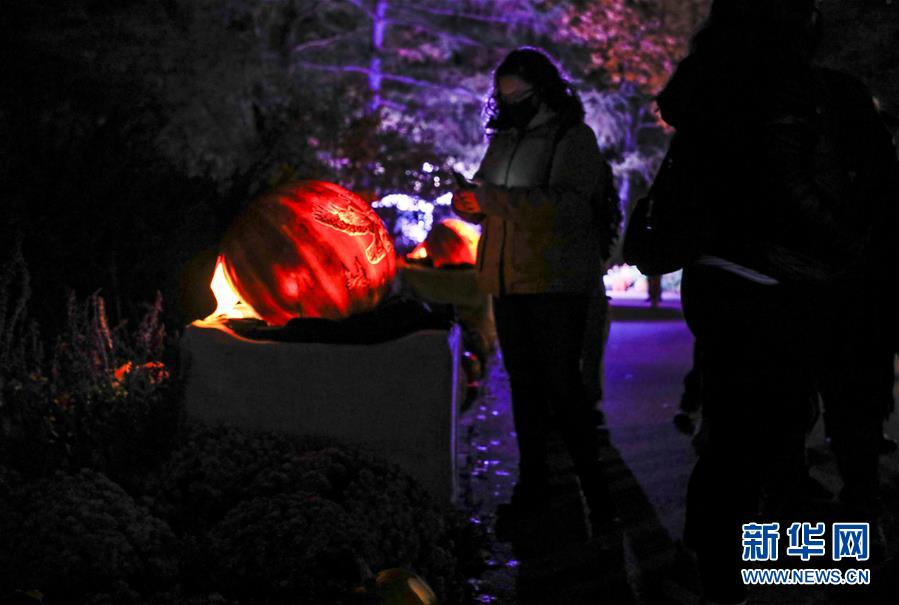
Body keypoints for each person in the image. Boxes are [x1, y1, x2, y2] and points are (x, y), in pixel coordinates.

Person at [656, 1, 897, 603]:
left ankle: (717, 564)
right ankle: (758, 568)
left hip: (715, 275)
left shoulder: (705, 87)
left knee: (738, 433)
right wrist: (846, 247)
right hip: (780, 280)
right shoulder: (804, 90)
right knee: (766, 434)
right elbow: (813, 189)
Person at [452, 47, 617, 531]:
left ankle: (596, 494)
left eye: (518, 95)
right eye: (503, 97)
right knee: (524, 389)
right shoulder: (504, 140)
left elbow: (568, 207)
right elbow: (489, 197)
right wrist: (470, 203)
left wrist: (493, 200)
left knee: (563, 388)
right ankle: (533, 486)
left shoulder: (572, 138)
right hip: (508, 282)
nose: (509, 104)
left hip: (553, 282)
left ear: (542, 91)